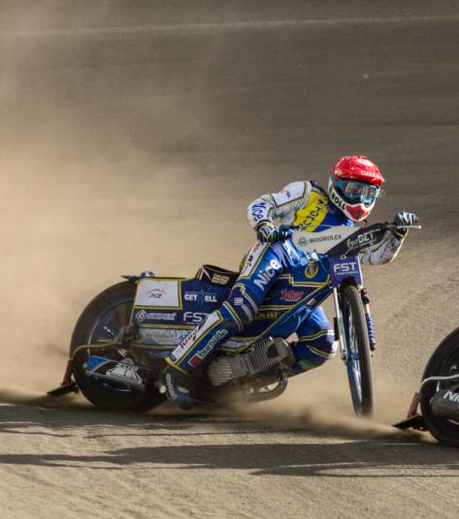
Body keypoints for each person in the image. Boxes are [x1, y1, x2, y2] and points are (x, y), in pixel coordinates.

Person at [161, 155, 418, 408]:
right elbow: (262, 204)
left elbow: (376, 257)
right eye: (355, 190)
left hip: (305, 290)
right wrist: (264, 224)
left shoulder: (353, 232)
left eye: (369, 194)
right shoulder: (307, 192)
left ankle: (243, 383)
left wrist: (398, 234)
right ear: (337, 185)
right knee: (242, 308)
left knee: (323, 344)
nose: (361, 200)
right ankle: (175, 368)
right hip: (278, 253)